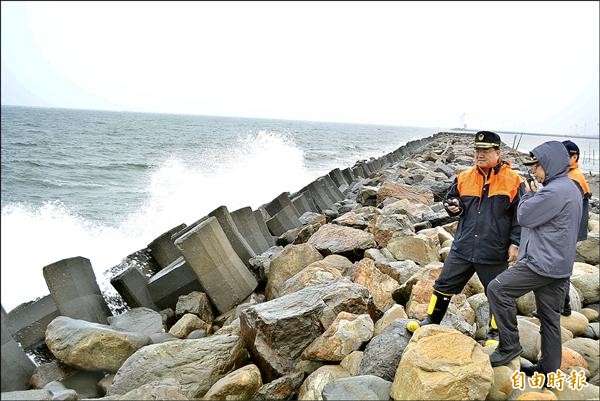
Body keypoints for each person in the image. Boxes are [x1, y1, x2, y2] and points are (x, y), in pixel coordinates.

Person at [406, 131, 525, 345]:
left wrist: (515, 243)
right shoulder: (464, 177)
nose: (480, 154)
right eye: (477, 150)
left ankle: (496, 334)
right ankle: (431, 320)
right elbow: (452, 201)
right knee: (443, 285)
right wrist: (453, 207)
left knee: (497, 292)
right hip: (464, 245)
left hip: (494, 249)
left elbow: (521, 216)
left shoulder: (514, 180)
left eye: (485, 150)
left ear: (497, 152)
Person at [487, 141, 582, 376]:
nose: (533, 172)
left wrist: (528, 196)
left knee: (497, 290)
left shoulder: (553, 191)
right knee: (550, 320)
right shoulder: (571, 187)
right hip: (559, 266)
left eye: (536, 166)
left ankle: (509, 345)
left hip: (541, 263)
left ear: (549, 165)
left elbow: (525, 216)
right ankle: (549, 370)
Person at [560, 140, 592, 316]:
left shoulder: (574, 177)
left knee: (561, 267)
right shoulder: (570, 174)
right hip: (571, 230)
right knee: (562, 266)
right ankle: (563, 304)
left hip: (568, 230)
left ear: (574, 157)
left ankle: (564, 305)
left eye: (564, 156)